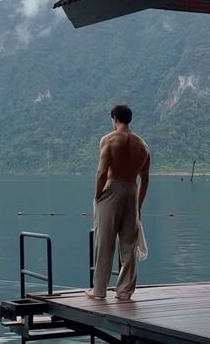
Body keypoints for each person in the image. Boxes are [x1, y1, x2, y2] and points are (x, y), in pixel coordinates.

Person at [86, 104, 150, 300]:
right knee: (129, 244)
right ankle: (124, 291)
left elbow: (101, 172)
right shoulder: (143, 146)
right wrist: (138, 205)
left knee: (104, 241)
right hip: (132, 190)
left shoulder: (109, 139)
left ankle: (99, 290)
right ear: (129, 119)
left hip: (112, 190)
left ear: (114, 119)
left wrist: (98, 196)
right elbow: (145, 179)